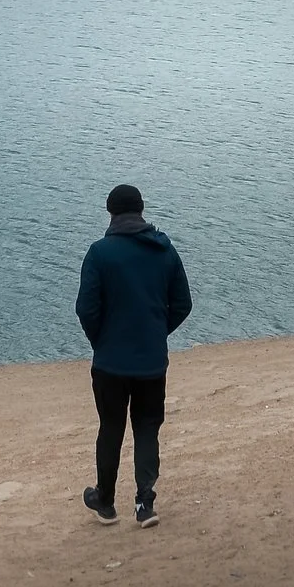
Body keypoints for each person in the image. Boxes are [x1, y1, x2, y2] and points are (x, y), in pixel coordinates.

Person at [75, 183, 191, 527]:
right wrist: (155, 333)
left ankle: (106, 503)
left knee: (110, 428)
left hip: (110, 362)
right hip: (151, 361)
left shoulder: (99, 253)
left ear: (111, 213)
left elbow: (86, 309)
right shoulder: (165, 251)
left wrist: (102, 340)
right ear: (141, 211)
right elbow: (183, 304)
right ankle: (144, 504)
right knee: (147, 428)